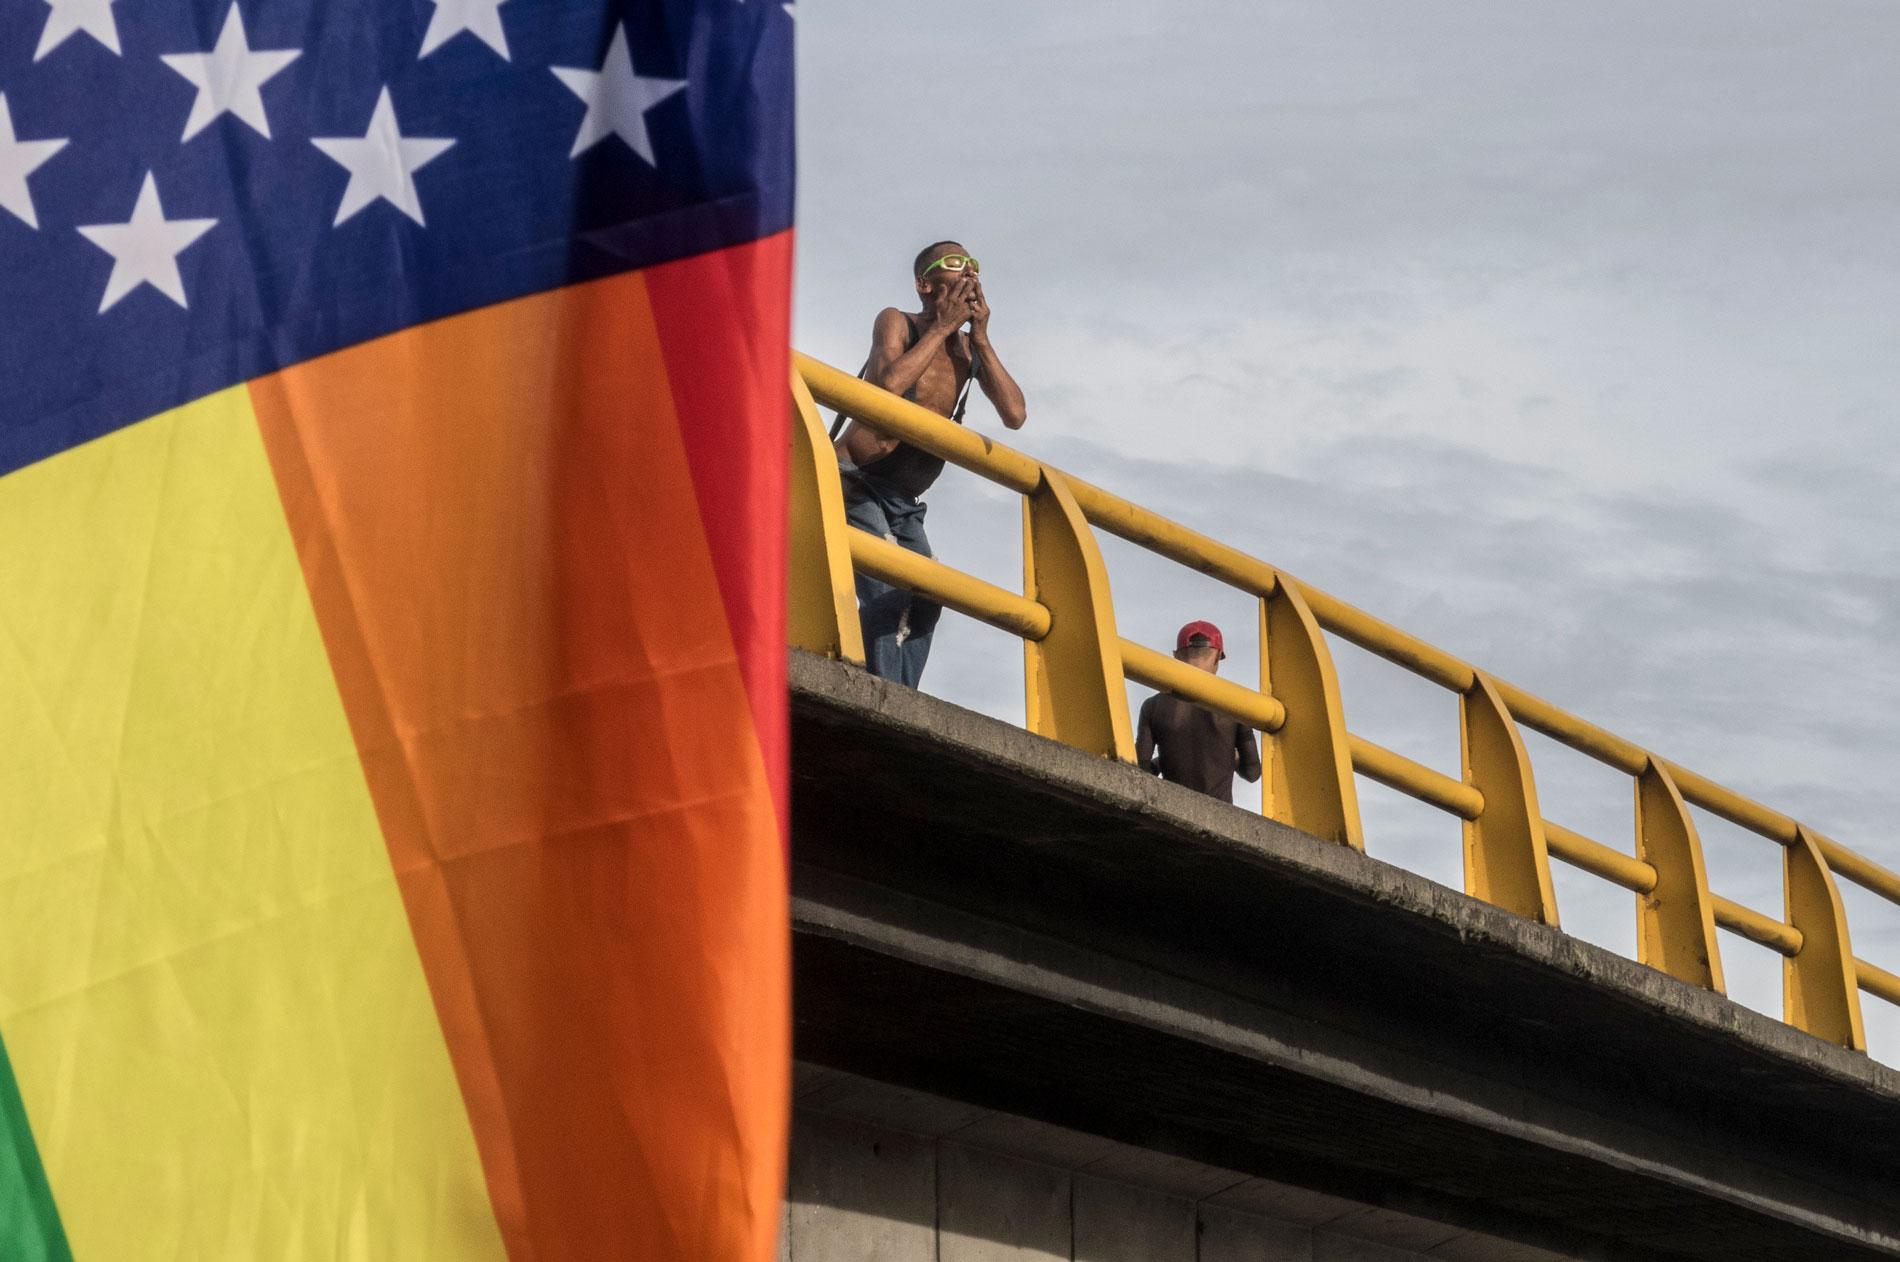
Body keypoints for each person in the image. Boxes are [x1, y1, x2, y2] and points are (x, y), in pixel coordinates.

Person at [833, 240, 1028, 686]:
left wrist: (979, 338)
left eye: (974, 269)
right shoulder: (898, 321)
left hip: (904, 498)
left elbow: (1015, 415)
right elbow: (887, 386)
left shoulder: (968, 350)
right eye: (956, 267)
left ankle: (900, 694)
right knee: (889, 581)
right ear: (925, 284)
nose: (969, 277)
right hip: (855, 481)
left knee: (929, 591)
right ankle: (878, 691)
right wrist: (941, 328)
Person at [1136, 621, 1263, 804]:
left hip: (1171, 813)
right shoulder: (1235, 705)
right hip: (1222, 819)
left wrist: (1162, 761)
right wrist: (1229, 756)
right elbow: (1252, 772)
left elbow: (1140, 769)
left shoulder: (1153, 706)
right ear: (1218, 657)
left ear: (1176, 656)